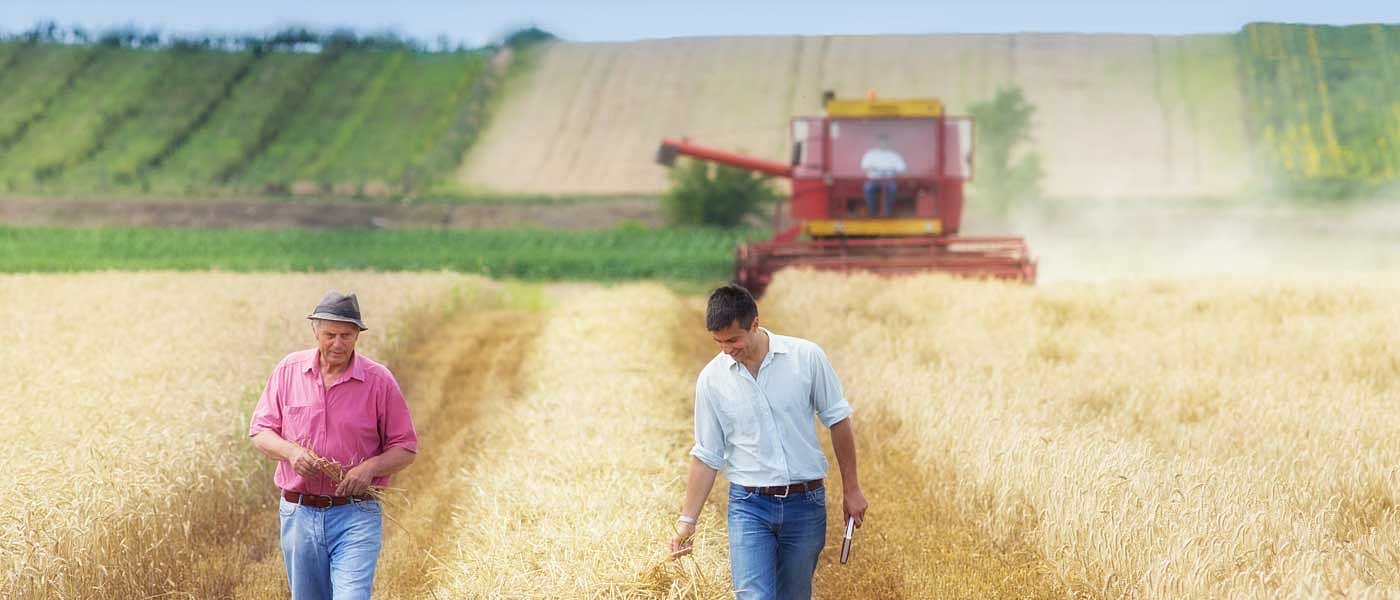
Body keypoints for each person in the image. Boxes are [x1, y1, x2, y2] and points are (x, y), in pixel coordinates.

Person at [670, 284, 868, 600]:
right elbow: (707, 455)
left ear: (755, 323)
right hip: (749, 506)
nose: (726, 349)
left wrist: (852, 489)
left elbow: (838, 420)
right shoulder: (711, 379)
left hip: (805, 504)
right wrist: (687, 521)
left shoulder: (806, 357)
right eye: (718, 342)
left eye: (733, 340)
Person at [249, 290, 419, 600]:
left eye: (346, 335)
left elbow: (405, 447)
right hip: (299, 513)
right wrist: (292, 452)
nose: (337, 343)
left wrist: (370, 468)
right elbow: (260, 431)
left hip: (356, 512)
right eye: (330, 335)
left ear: (357, 335)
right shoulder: (288, 371)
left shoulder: (379, 381)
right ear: (315, 331)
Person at [859, 134, 907, 217]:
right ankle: (872, 212)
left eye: (885, 142)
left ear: (888, 143)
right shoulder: (871, 154)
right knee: (867, 188)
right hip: (874, 180)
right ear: (878, 143)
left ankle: (887, 212)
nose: (883, 144)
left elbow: (902, 168)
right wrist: (875, 169)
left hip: (889, 180)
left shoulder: (894, 155)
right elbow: (864, 166)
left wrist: (892, 170)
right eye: (881, 142)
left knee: (893, 188)